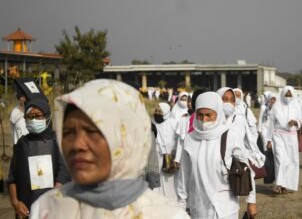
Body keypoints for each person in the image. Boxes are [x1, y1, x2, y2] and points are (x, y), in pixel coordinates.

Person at [30, 80, 189, 219]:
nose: (77, 145)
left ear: (123, 139)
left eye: (92, 132)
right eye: (68, 132)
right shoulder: (47, 208)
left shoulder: (165, 215)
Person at [177, 91, 251, 219]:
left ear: (218, 113)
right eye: (200, 115)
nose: (204, 119)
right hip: (199, 207)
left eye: (208, 115)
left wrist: (252, 201)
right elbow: (184, 176)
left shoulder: (230, 136)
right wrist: (181, 206)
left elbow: (246, 169)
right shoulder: (190, 139)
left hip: (225, 208)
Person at [8, 98, 69, 219]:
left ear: (47, 117)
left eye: (38, 116)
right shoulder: (21, 144)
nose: (34, 120)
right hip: (27, 212)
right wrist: (15, 203)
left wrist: (53, 200)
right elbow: (12, 178)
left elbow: (65, 173)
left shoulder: (58, 141)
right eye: (29, 117)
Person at [216, 87, 263, 218]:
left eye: (232, 100)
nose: (228, 103)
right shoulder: (206, 123)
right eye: (224, 99)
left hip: (229, 180)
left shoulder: (239, 121)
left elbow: (243, 162)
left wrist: (251, 201)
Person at [265, 86, 302, 194]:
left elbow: (300, 121)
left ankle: (286, 185)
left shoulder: (296, 106)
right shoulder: (276, 107)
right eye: (286, 94)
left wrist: (295, 123)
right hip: (278, 136)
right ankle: (279, 183)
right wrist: (268, 140)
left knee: (291, 161)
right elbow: (271, 124)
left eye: (290, 95)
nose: (288, 97)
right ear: (282, 95)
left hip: (292, 137)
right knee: (280, 160)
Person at [152, 102, 180, 201]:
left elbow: (178, 138)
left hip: (170, 157)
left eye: (160, 111)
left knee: (170, 182)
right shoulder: (153, 122)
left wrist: (175, 154)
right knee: (158, 180)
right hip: (157, 155)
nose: (157, 113)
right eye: (156, 111)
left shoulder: (173, 123)